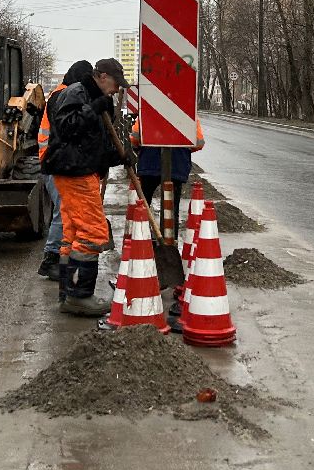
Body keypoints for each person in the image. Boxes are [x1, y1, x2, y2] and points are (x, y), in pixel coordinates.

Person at [41, 57, 128, 316]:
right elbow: (67, 127)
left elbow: (92, 144)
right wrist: (93, 108)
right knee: (93, 232)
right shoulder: (76, 92)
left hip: (80, 170)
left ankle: (68, 291)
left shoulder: (94, 97)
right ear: (101, 76)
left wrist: (117, 157)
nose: (116, 90)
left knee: (73, 233)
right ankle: (80, 296)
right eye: (114, 83)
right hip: (74, 172)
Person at [35, 61, 93, 280]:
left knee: (65, 210)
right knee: (63, 210)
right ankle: (51, 258)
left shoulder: (62, 93)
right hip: (54, 162)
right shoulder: (63, 96)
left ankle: (60, 257)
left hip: (53, 160)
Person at [130, 113, 205, 241]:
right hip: (176, 164)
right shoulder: (188, 112)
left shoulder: (147, 108)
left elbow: (135, 137)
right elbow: (199, 142)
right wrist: (181, 149)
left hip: (149, 162)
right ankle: (170, 243)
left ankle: (142, 240)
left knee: (143, 205)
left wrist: (143, 147)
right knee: (171, 209)